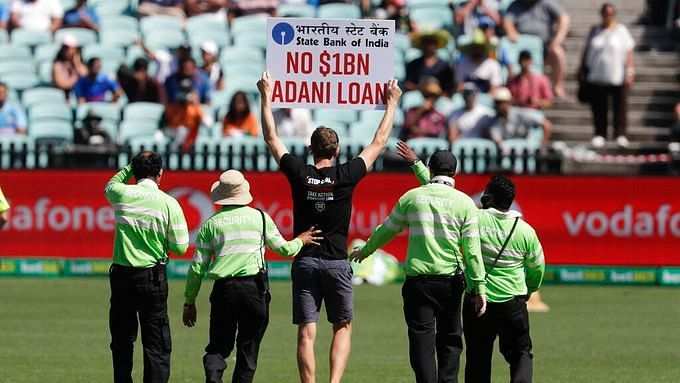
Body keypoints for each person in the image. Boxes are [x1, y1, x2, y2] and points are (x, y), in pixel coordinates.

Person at [257, 71, 401, 383]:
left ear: (311, 149)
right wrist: (391, 104)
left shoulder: (299, 172)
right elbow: (379, 141)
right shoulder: (346, 174)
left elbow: (271, 138)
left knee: (307, 332)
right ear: (335, 151)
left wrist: (266, 96)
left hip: (306, 261)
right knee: (342, 326)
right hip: (337, 262)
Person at [350, 144, 487, 383]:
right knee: (450, 340)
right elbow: (473, 253)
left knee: (421, 341)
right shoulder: (465, 204)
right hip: (451, 282)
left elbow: (387, 230)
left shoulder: (412, 198)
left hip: (418, 283)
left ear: (431, 169)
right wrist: (479, 288)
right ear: (455, 173)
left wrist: (367, 250)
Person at [182, 169, 322, 383]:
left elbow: (197, 268)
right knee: (248, 350)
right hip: (254, 290)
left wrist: (189, 301)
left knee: (217, 348)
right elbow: (284, 250)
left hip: (224, 290)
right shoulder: (260, 218)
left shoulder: (211, 224)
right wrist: (301, 240)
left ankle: (213, 378)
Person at [104, 151, 189, 383]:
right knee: (156, 344)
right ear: (160, 174)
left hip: (122, 278)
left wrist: (131, 167)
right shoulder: (169, 203)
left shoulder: (121, 193)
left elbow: (111, 184)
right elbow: (181, 247)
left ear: (135, 172)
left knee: (122, 341)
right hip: (152, 278)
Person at [462, 175, 545, 383]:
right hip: (513, 301)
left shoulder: (475, 219)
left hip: (477, 300)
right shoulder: (525, 230)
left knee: (477, 358)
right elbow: (537, 268)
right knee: (520, 354)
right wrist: (529, 290)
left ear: (487, 197)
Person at [579, 3, 635, 149]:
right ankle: (600, 134)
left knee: (620, 107)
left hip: (617, 75)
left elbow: (628, 52)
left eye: (610, 14)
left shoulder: (621, 31)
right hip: (597, 76)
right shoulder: (594, 31)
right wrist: (582, 71)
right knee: (599, 107)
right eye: (605, 13)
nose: (607, 16)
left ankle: (620, 134)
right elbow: (587, 52)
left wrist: (629, 71)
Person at [503, 0, 570, 98]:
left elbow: (564, 18)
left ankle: (557, 86)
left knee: (558, 52)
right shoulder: (515, 4)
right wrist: (511, 31)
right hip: (522, 48)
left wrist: (558, 39)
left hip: (545, 46)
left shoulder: (547, 3)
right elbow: (507, 21)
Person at [405, 31, 455, 96]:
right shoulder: (413, 64)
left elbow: (449, 89)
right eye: (426, 43)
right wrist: (423, 88)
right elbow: (408, 85)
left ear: (437, 45)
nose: (429, 46)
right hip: (418, 98)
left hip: (439, 99)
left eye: (432, 43)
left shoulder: (444, 66)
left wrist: (436, 93)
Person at [455, 30, 503, 94]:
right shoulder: (462, 64)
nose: (477, 50)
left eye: (480, 47)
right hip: (466, 97)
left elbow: (494, 89)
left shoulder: (493, 64)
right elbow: (459, 86)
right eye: (475, 47)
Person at [162, 83, 205, 152]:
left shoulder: (194, 107)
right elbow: (165, 123)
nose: (185, 94)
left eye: (187, 92)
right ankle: (174, 153)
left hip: (188, 132)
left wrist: (194, 102)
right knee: (181, 130)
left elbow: (205, 121)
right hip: (171, 131)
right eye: (183, 91)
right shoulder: (173, 106)